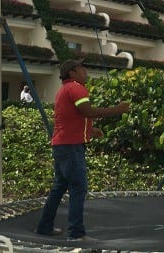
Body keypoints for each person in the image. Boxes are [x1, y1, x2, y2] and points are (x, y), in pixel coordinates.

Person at [35, 59, 129, 245]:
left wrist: (90, 131)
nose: (85, 71)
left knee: (59, 187)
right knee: (78, 187)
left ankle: (44, 226)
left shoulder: (65, 89)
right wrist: (117, 109)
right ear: (72, 73)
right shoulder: (76, 88)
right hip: (70, 147)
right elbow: (87, 111)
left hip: (62, 144)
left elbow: (71, 117)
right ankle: (76, 233)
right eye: (81, 68)